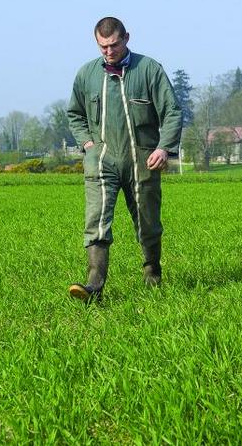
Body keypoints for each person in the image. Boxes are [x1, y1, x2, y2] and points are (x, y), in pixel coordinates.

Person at [66, 17, 183, 302]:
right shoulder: (86, 75)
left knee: (148, 222)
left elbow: (172, 112)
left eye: (114, 44)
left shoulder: (149, 70)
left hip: (142, 160)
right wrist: (87, 143)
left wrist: (163, 148)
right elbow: (74, 114)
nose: (108, 51)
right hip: (101, 161)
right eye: (102, 46)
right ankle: (94, 285)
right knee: (97, 222)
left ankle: (152, 273)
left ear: (127, 38)